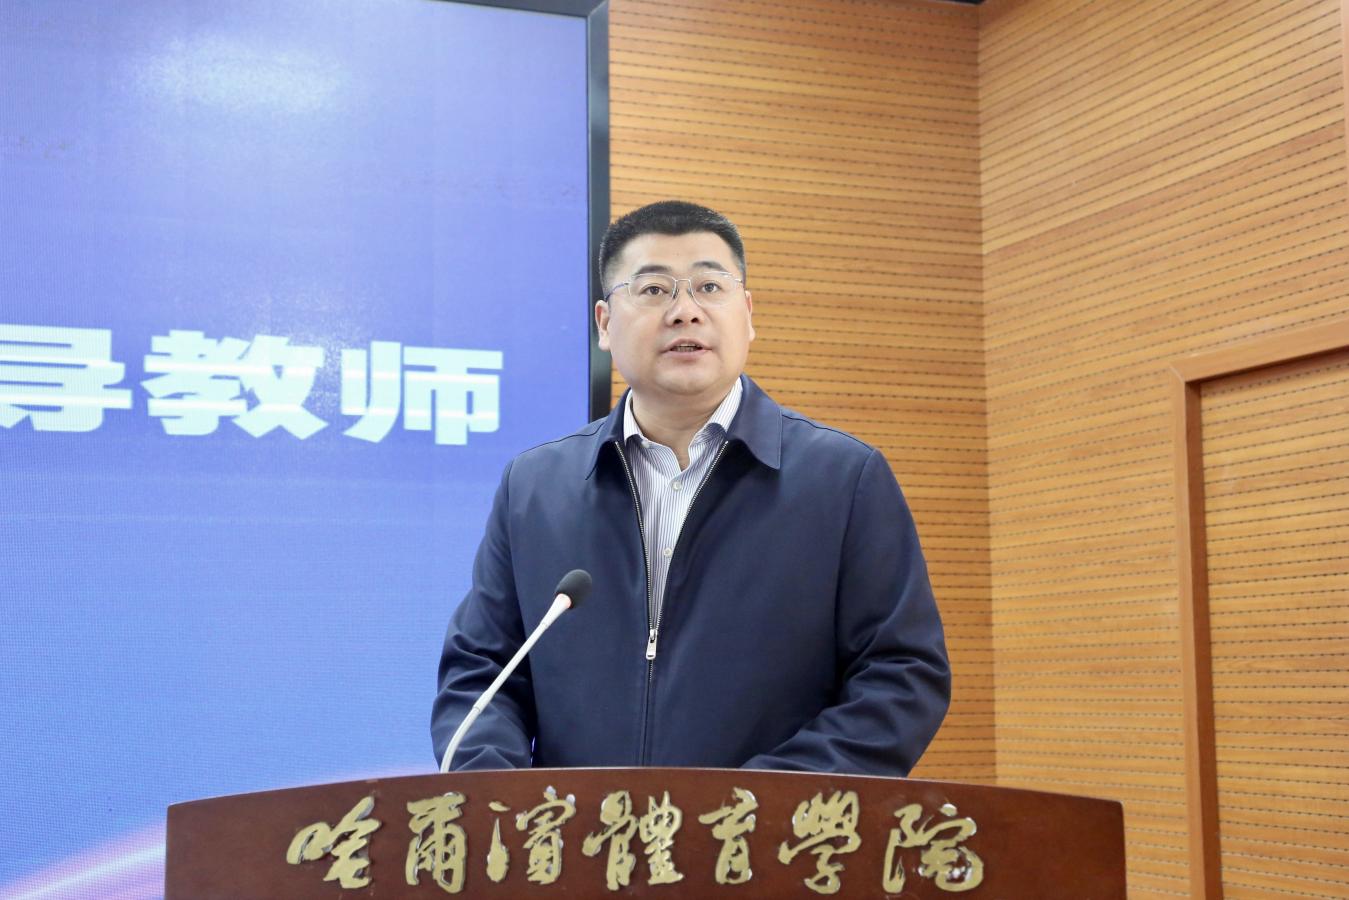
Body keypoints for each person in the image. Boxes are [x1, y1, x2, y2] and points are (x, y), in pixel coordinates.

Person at [431, 200, 949, 776]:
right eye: (653, 290)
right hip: (577, 832)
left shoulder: (843, 479)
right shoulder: (535, 489)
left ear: (747, 313)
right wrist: (505, 803)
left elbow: (901, 678)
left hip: (761, 830)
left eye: (710, 287)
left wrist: (752, 806)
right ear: (605, 323)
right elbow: (482, 673)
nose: (685, 312)